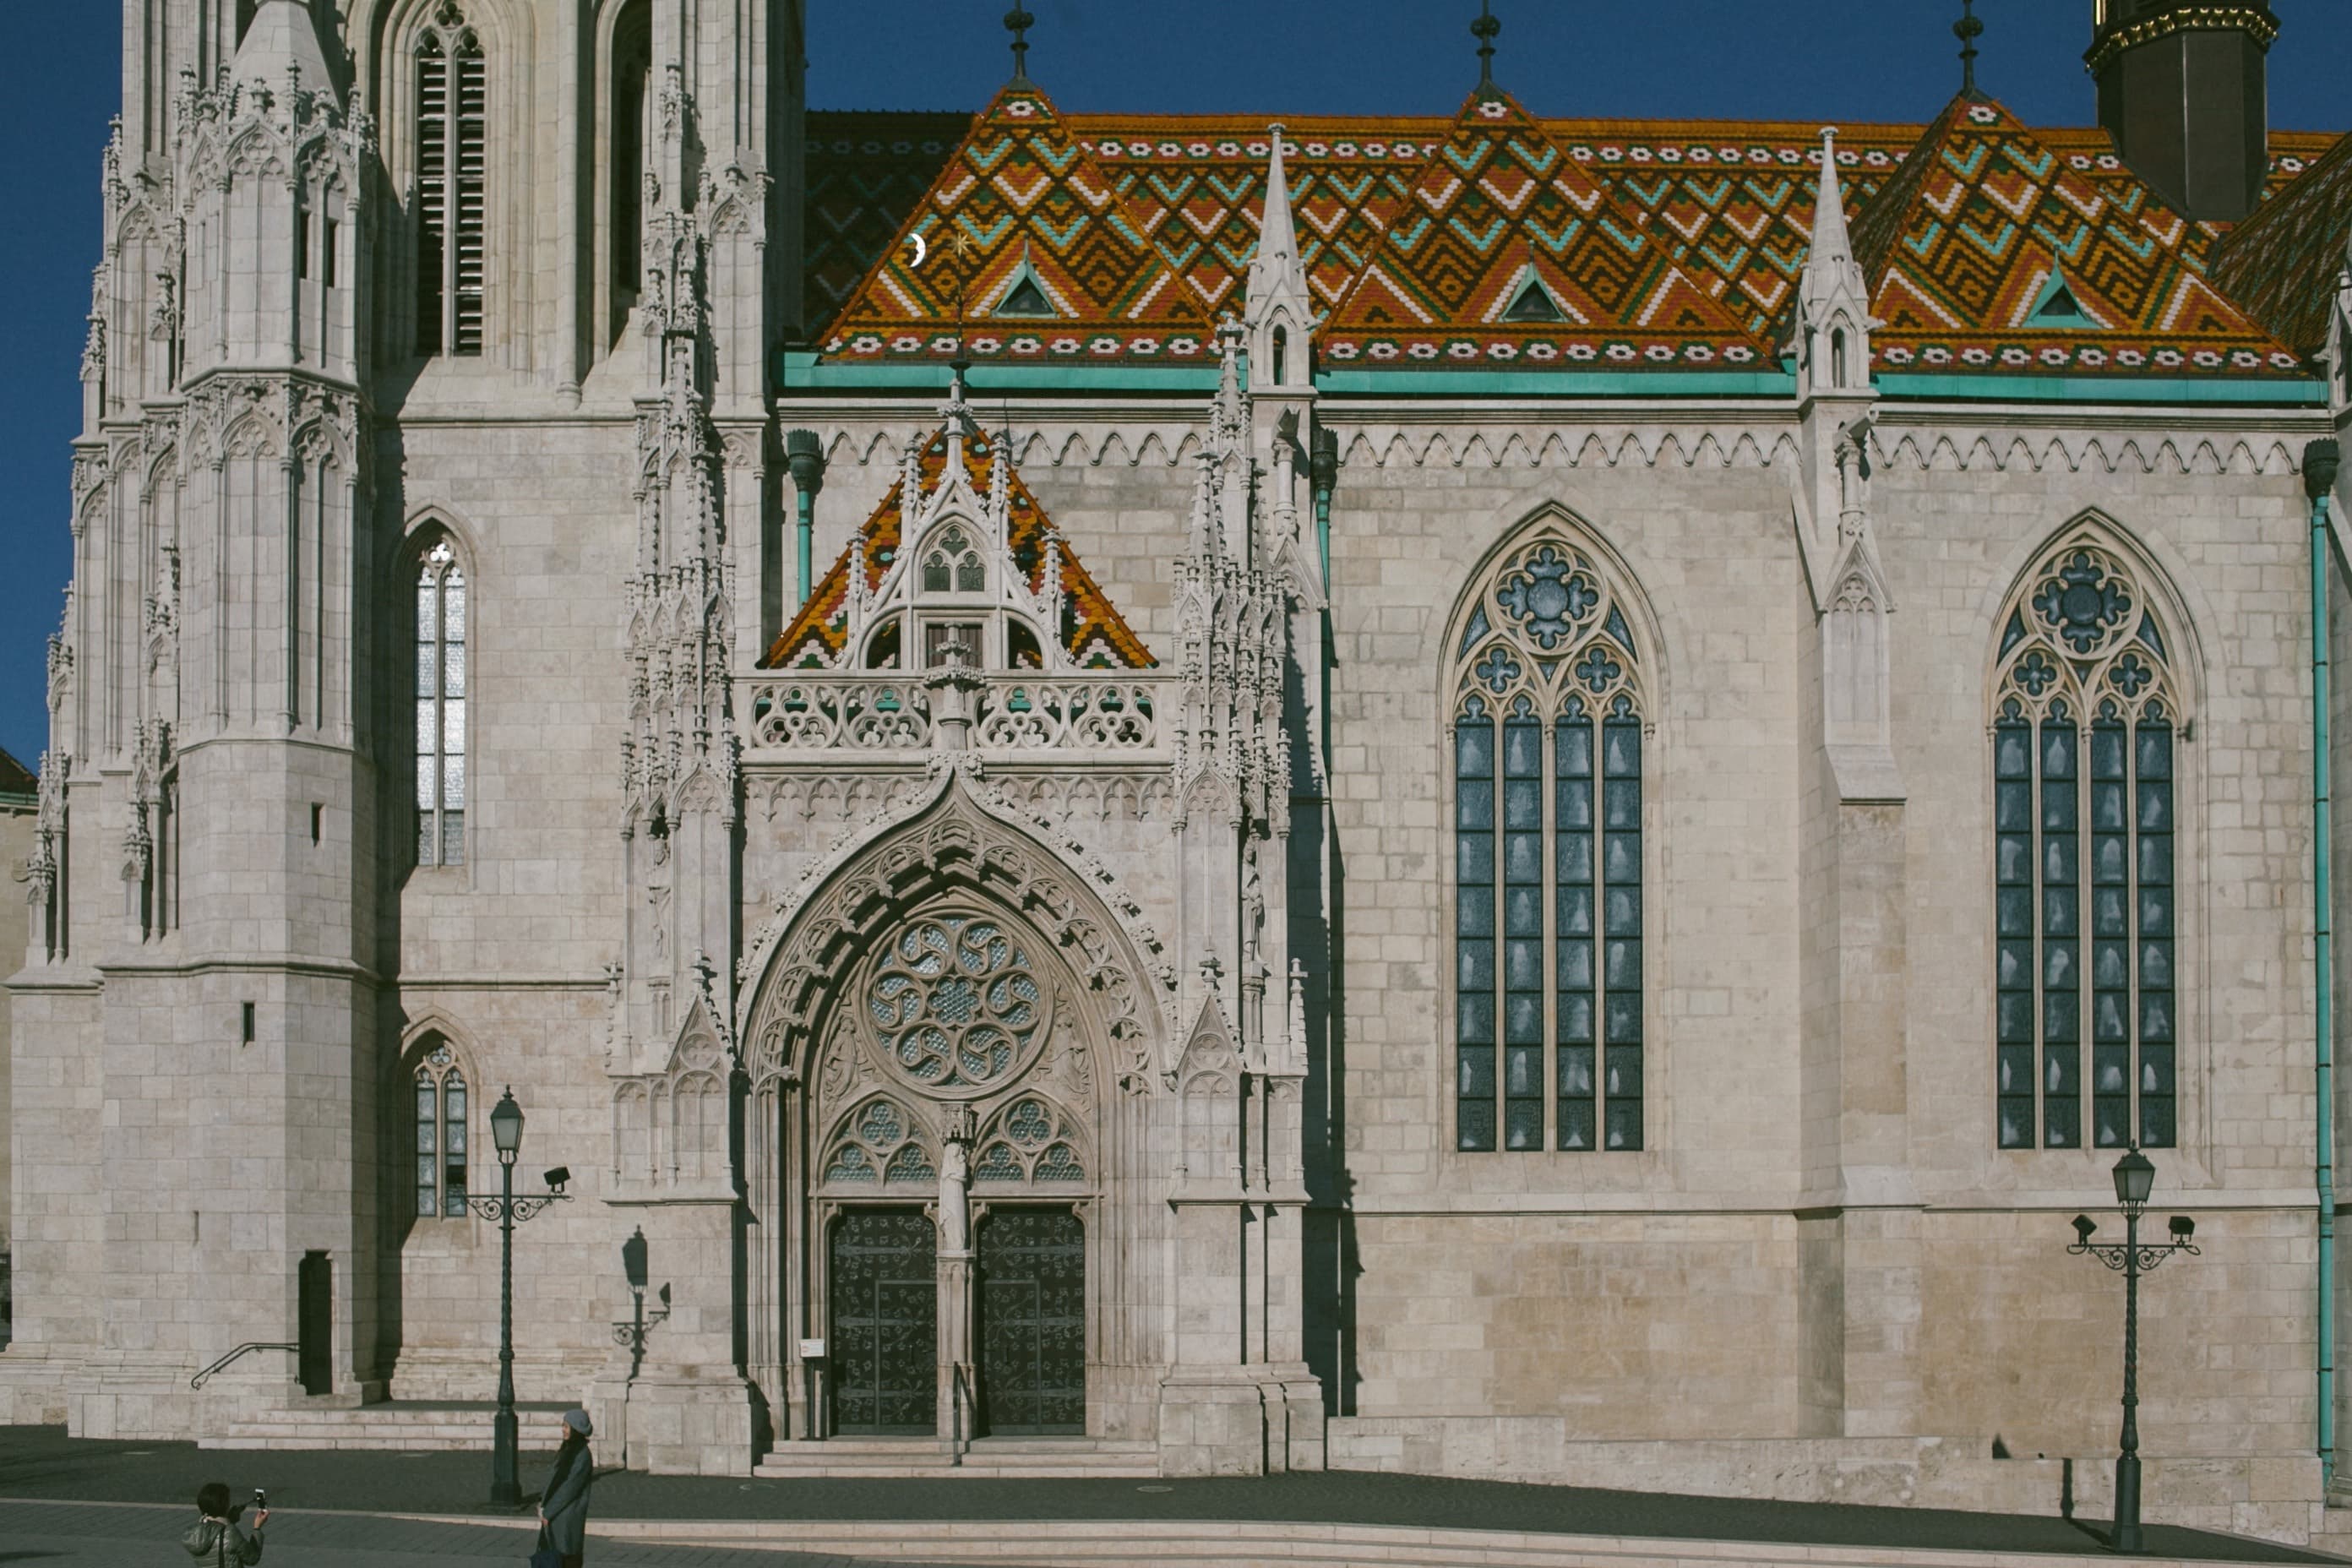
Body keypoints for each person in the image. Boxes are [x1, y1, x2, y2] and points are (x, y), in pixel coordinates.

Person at [536, 1407, 595, 1567]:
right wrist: (543, 1502)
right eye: (563, 1425)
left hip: (567, 1518)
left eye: (566, 1426)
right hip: (557, 1515)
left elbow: (569, 1488)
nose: (563, 1430)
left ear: (576, 1429)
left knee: (567, 1557)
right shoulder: (568, 1450)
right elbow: (554, 1479)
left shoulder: (582, 1455)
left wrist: (548, 1511)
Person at [182, 1481, 266, 1565]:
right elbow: (252, 1558)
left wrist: (229, 1519)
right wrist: (257, 1528)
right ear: (225, 1506)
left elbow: (213, 1530)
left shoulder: (195, 1534)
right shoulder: (230, 1533)